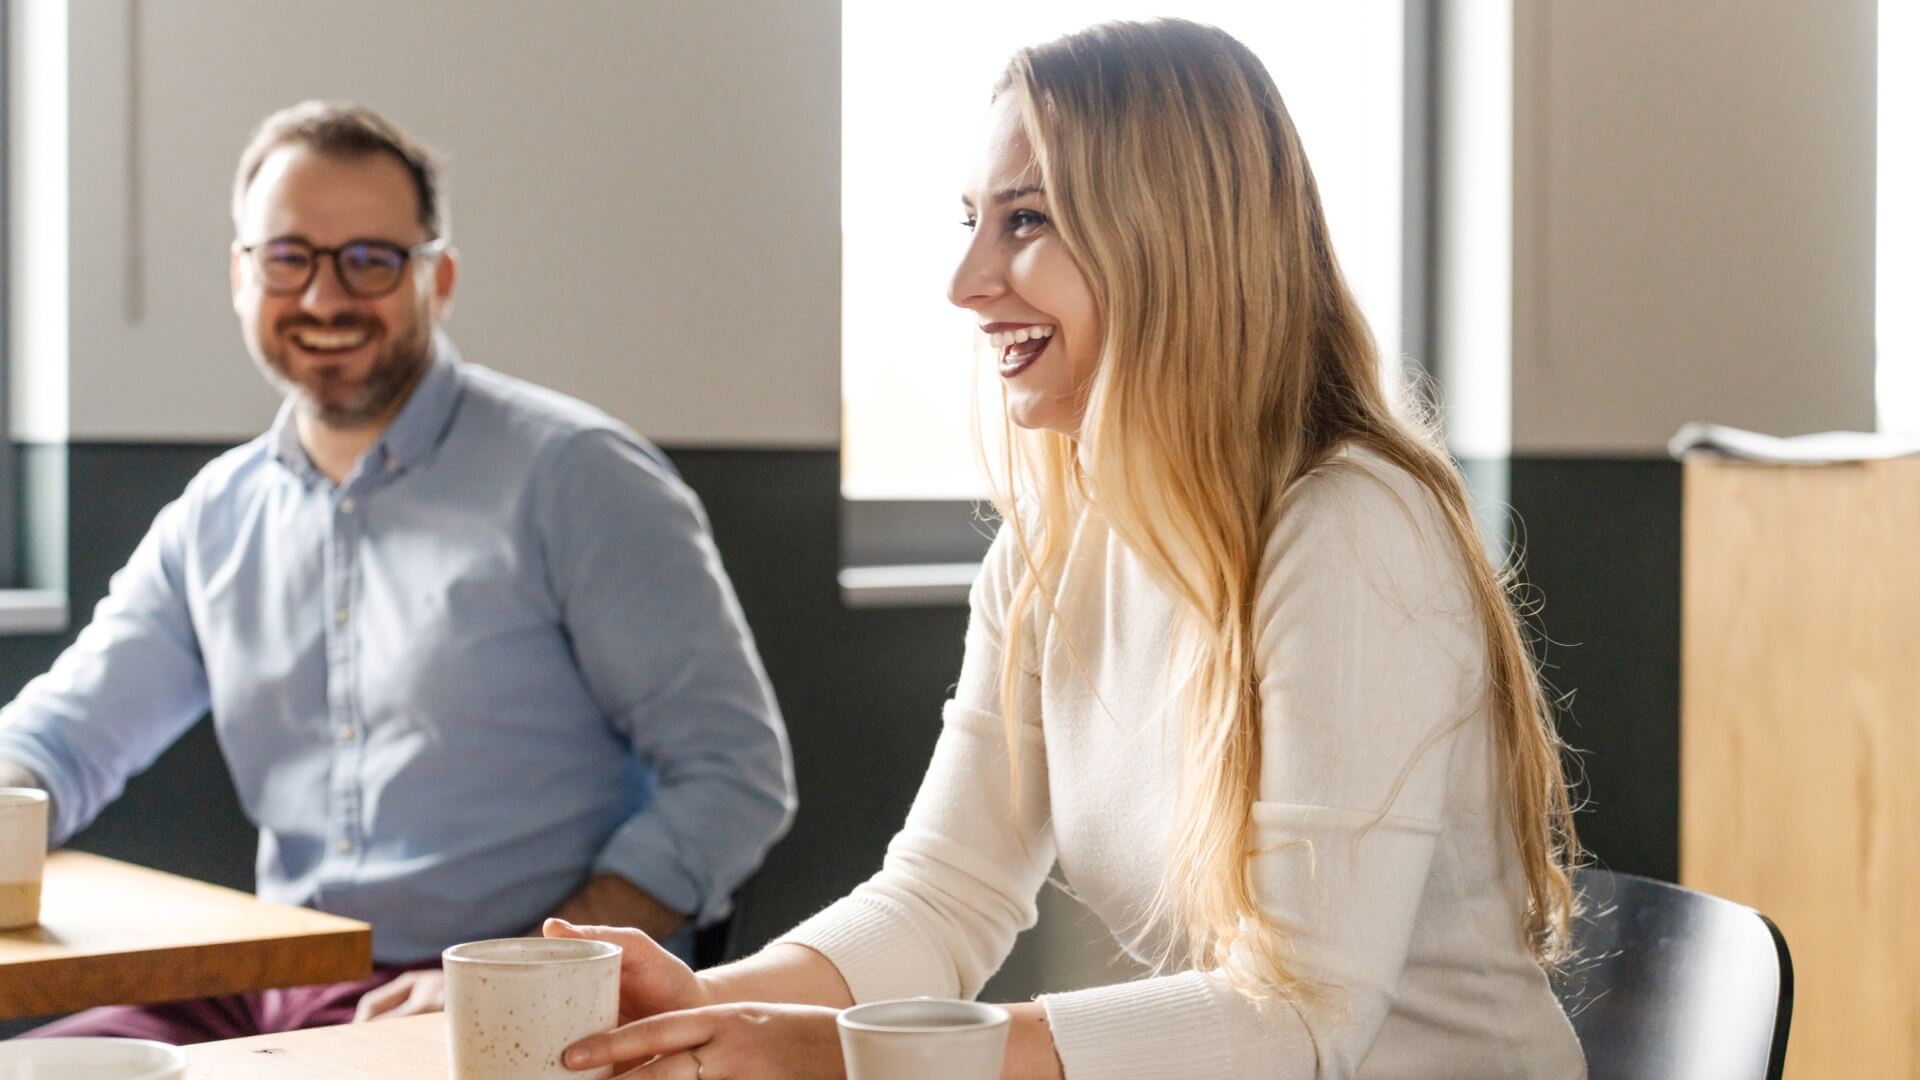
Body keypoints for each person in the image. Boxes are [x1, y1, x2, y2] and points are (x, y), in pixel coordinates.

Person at [545, 19, 1587, 1079]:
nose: (966, 279)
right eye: (971, 219)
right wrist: (700, 1007)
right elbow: (944, 896)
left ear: (1173, 238)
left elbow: (1299, 1020)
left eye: (1026, 219)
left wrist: (832, 1056)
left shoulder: (1354, 530)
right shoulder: (1055, 545)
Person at [0, 101, 795, 1042]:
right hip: (274, 973)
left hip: (497, 989)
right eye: (288, 258)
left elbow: (735, 778)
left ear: (439, 279)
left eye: (371, 260)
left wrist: (528, 968)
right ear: (241, 276)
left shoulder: (578, 478)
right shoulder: (216, 516)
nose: (326, 299)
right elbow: (60, 742)